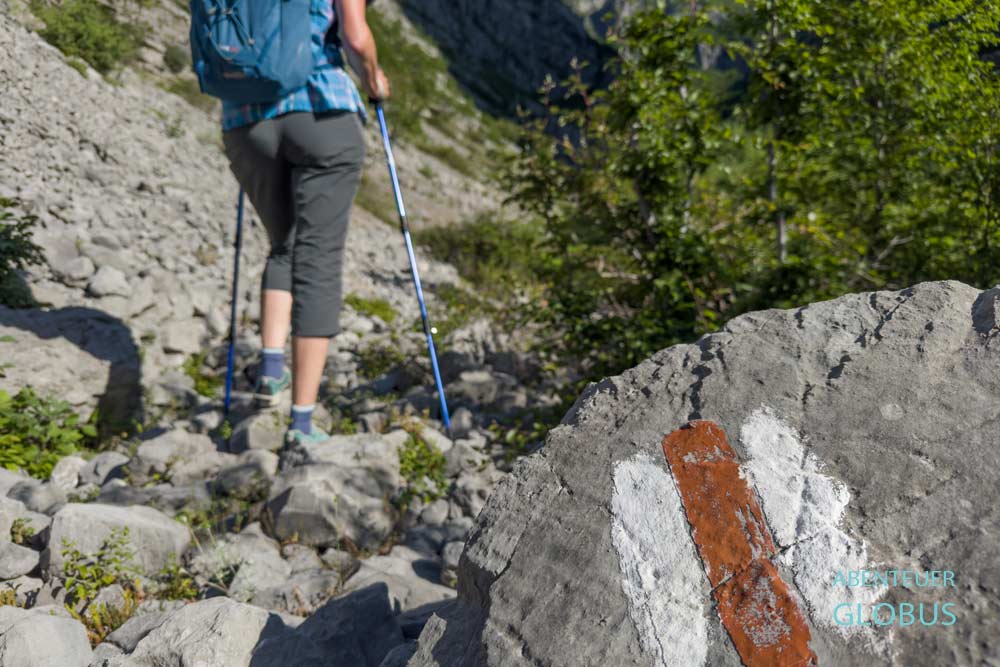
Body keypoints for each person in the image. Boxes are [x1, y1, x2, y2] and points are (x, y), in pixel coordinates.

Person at [221, 0, 390, 446]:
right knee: (318, 260)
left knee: (283, 245)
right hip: (322, 112)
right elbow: (354, 37)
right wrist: (374, 79)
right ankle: (301, 423)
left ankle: (270, 371)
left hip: (244, 121)